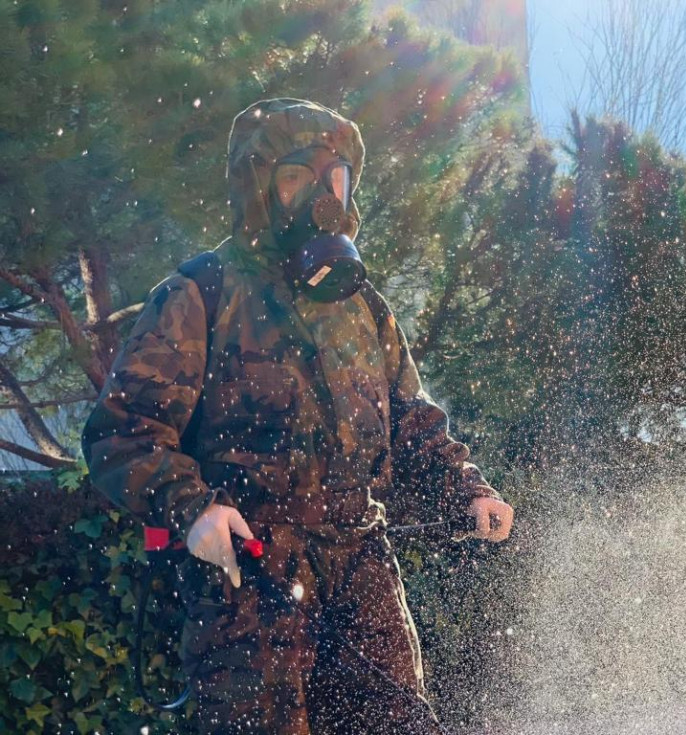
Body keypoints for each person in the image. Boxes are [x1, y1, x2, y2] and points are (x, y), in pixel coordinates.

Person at [81, 97, 514, 735]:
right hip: (249, 584)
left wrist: (467, 489)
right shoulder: (201, 292)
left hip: (360, 564)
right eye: (297, 177)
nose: (323, 199)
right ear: (259, 186)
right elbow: (123, 432)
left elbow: (410, 418)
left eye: (334, 179)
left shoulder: (364, 306)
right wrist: (193, 508)